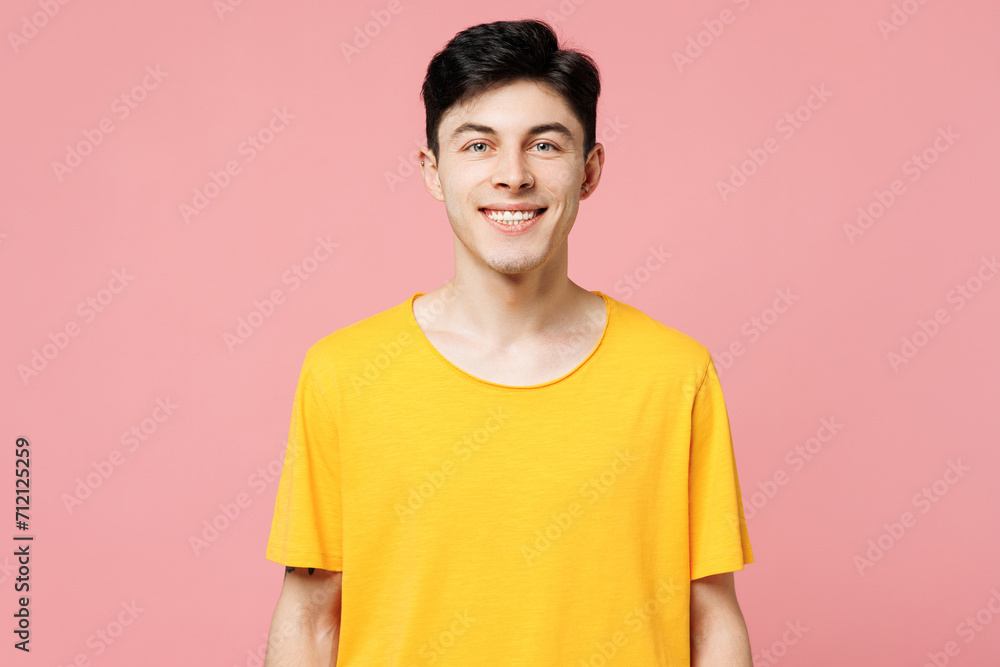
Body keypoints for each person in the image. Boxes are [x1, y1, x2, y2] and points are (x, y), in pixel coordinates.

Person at [263, 18, 754, 666]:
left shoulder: (674, 374)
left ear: (590, 168)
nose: (513, 175)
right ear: (432, 170)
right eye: (478, 146)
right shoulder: (343, 372)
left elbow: (711, 616)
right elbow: (309, 613)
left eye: (545, 145)